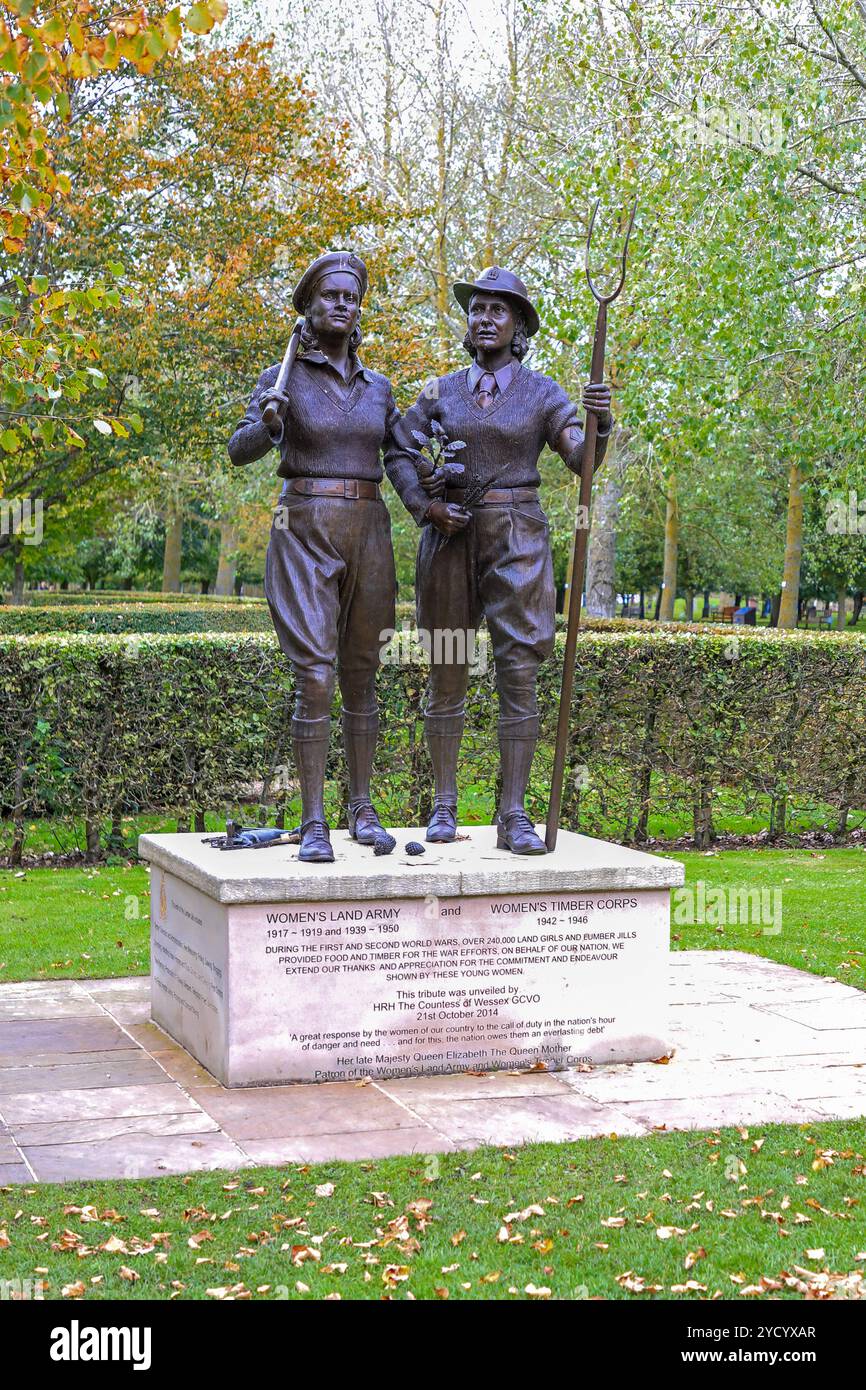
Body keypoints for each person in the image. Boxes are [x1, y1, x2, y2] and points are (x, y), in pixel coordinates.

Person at [386, 265, 613, 855]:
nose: (483, 319)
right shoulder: (439, 390)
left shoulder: (543, 394)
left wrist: (602, 424)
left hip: (518, 539)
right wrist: (424, 508)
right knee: (448, 667)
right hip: (450, 537)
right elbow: (399, 450)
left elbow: (581, 460)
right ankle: (443, 804)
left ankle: (514, 813)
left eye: (497, 311)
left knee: (518, 672)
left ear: (518, 327)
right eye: (476, 309)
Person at [227, 251, 429, 863]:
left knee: (362, 673)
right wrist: (268, 425)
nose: (343, 304)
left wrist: (435, 486)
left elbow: (403, 456)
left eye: (352, 296)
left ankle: (361, 808)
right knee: (315, 678)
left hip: (368, 527)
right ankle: (314, 821)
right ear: (309, 308)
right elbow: (239, 450)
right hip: (304, 525)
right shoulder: (282, 378)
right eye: (331, 295)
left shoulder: (378, 388)